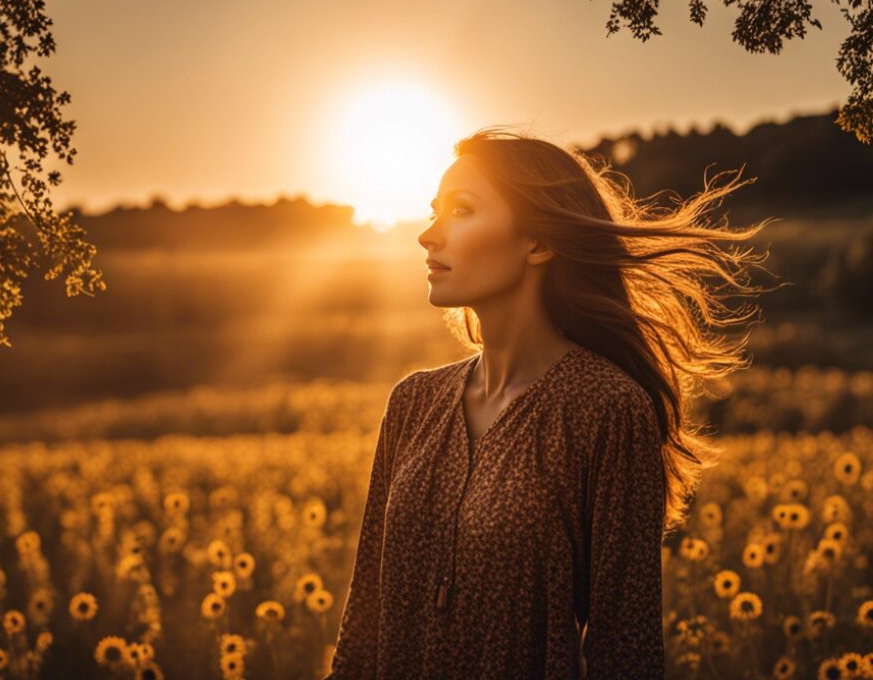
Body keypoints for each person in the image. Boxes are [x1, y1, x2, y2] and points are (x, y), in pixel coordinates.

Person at [325, 126, 774, 679]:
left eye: (462, 211)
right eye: (434, 211)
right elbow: (364, 624)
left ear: (538, 242)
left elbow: (624, 651)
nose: (428, 235)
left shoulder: (606, 409)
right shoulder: (413, 403)